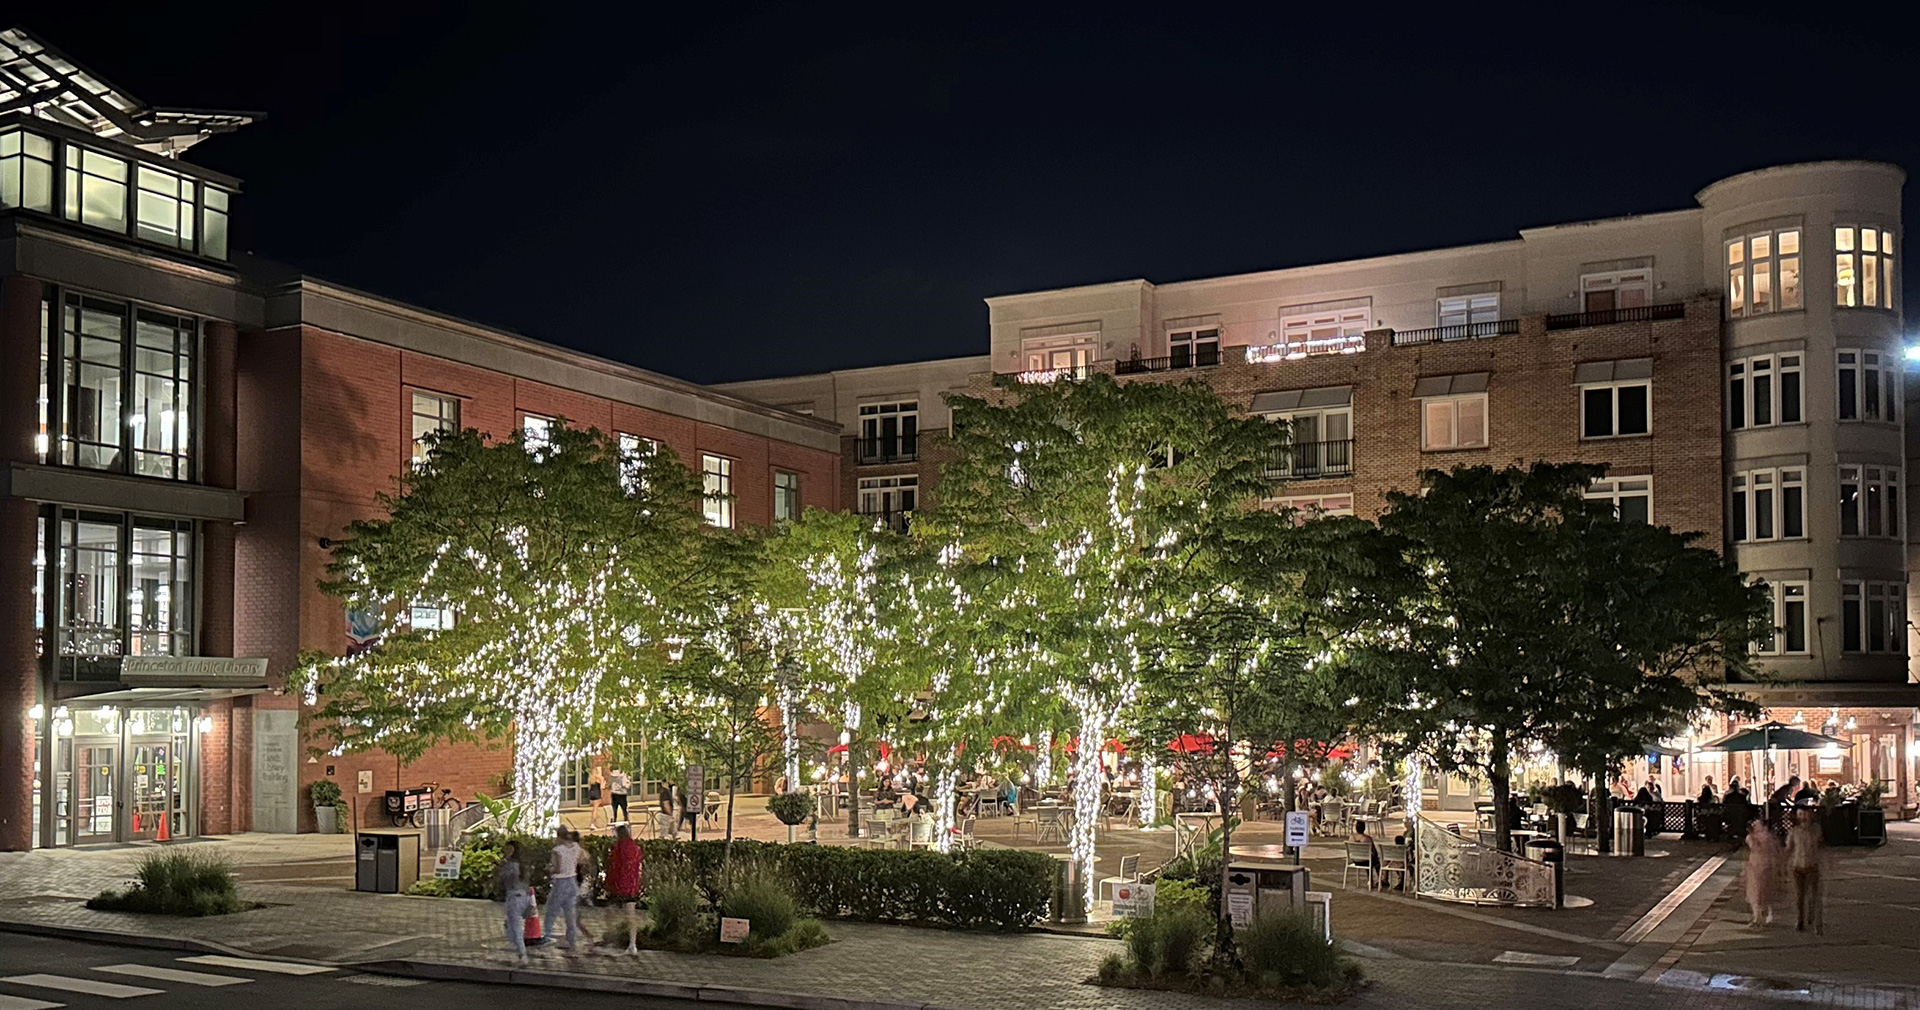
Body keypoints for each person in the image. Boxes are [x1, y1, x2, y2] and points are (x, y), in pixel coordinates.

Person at [604, 823, 643, 954]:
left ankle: (611, 941)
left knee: (609, 913)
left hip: (619, 885)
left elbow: (614, 867)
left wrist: (608, 884)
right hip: (631, 886)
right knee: (631, 915)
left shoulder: (618, 848)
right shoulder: (635, 847)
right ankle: (633, 944)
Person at [544, 826, 584, 951]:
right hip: (572, 881)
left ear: (558, 836)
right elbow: (583, 859)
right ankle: (572, 941)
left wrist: (548, 870)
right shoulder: (576, 847)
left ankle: (547, 936)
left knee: (551, 911)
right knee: (570, 913)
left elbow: (557, 868)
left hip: (560, 882)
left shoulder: (557, 850)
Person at [1785, 807, 1824, 934]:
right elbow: (1789, 848)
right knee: (1799, 896)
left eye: (1806, 814)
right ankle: (1800, 920)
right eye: (1800, 815)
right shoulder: (1794, 831)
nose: (1803, 817)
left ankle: (1813, 919)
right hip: (1797, 867)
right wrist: (1783, 864)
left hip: (1812, 866)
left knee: (1813, 896)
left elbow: (1820, 844)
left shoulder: (1816, 830)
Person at [497, 840, 534, 964]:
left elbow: (502, 877)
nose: (506, 852)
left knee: (515, 927)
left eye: (508, 849)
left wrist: (502, 864)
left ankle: (522, 955)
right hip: (525, 898)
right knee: (509, 924)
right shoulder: (523, 865)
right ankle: (519, 951)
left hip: (515, 898)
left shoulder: (511, 865)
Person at [1742, 819, 1779, 926]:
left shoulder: (1754, 837)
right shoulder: (1769, 838)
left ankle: (1759, 916)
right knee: (1760, 891)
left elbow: (1753, 847)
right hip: (1760, 865)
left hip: (1757, 866)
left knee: (1757, 891)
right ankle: (1760, 915)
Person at [587, 765, 609, 829]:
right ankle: (592, 823)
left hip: (592, 793)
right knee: (595, 809)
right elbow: (602, 787)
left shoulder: (591, 778)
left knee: (594, 809)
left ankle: (594, 822)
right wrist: (602, 796)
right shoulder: (600, 778)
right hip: (597, 793)